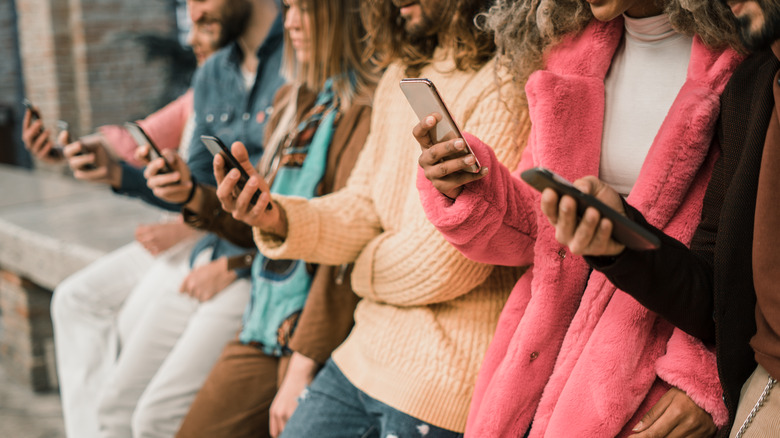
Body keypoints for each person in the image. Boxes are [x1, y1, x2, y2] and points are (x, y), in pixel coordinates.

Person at [414, 0, 744, 436]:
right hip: (538, 352)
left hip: (648, 365)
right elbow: (540, 231)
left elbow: (745, 253)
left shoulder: (736, 63)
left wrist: (705, 373)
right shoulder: (570, 52)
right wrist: (469, 186)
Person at [210, 0, 529, 436]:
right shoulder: (400, 73)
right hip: (360, 352)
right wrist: (277, 218)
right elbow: (363, 205)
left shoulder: (505, 81)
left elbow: (446, 266)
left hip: (444, 377)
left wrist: (359, 272)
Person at [44, 0, 286, 436]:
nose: (191, 16)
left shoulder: (300, 58)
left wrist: (238, 263)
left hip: (260, 269)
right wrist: (120, 173)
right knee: (116, 405)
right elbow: (194, 185)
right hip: (211, 249)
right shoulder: (214, 74)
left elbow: (308, 201)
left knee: (154, 418)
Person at [539, 1, 780, 436]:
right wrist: (618, 237)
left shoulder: (731, 69)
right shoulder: (755, 84)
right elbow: (719, 294)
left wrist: (701, 379)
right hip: (762, 382)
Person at [144, 1, 378, 436]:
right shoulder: (294, 100)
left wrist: (303, 361)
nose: (290, 23)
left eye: (304, 9)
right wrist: (195, 195)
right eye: (287, 8)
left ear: (340, 14)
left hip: (318, 325)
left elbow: (350, 244)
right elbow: (266, 226)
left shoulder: (368, 107)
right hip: (267, 314)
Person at [19, 10, 225, 438]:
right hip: (171, 236)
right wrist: (62, 150)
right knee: (73, 299)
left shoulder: (252, 97)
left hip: (206, 241)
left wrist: (188, 226)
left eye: (204, 28)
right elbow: (132, 140)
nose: (193, 42)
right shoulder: (199, 93)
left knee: (127, 329)